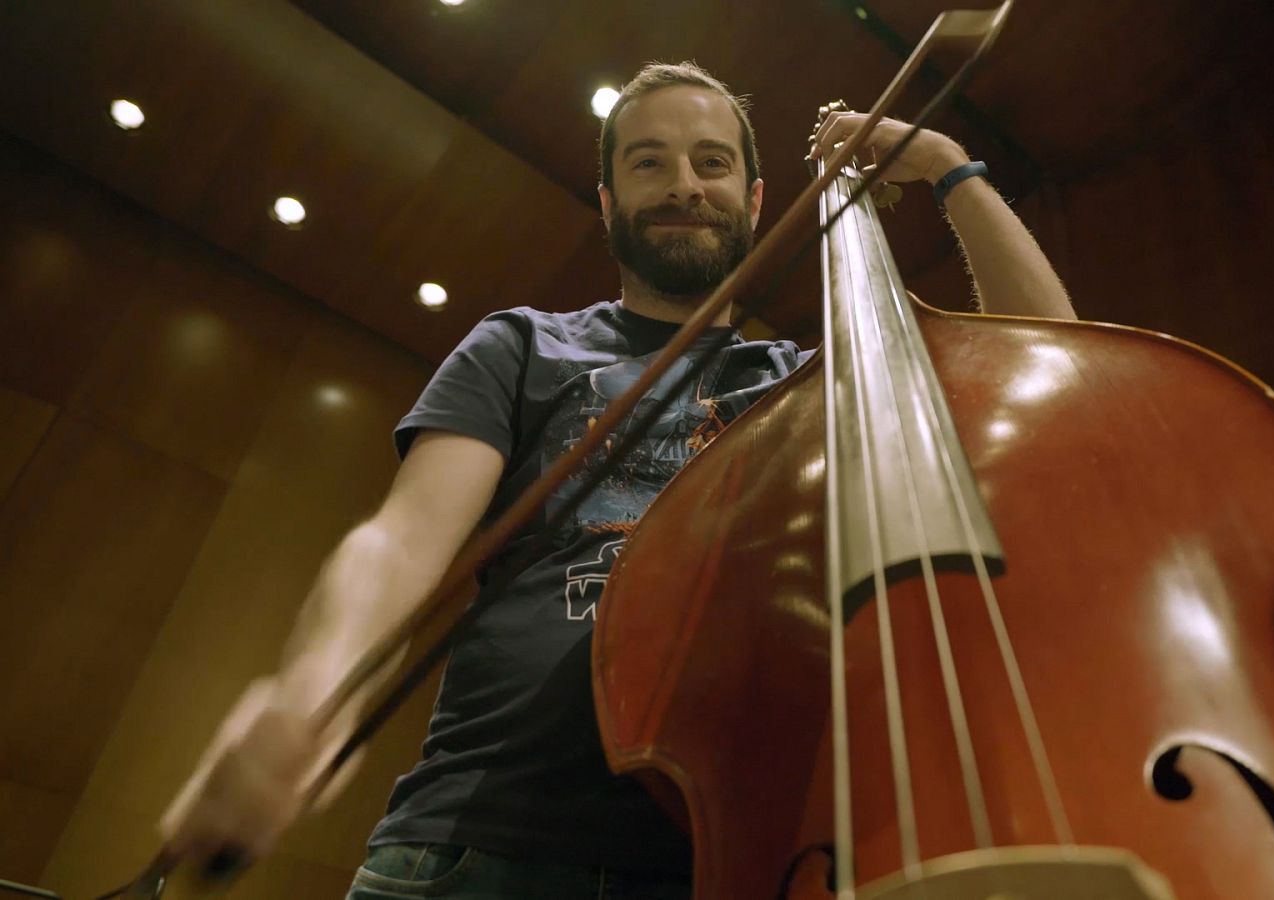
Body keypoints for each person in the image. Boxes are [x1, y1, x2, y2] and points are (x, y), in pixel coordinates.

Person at [157, 61, 1076, 898]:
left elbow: (1051, 369)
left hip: (720, 861)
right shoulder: (522, 346)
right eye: (650, 163)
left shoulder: (813, 382)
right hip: (473, 849)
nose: (684, 184)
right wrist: (314, 687)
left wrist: (950, 167)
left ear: (756, 199)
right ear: (607, 200)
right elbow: (402, 538)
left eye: (712, 163)